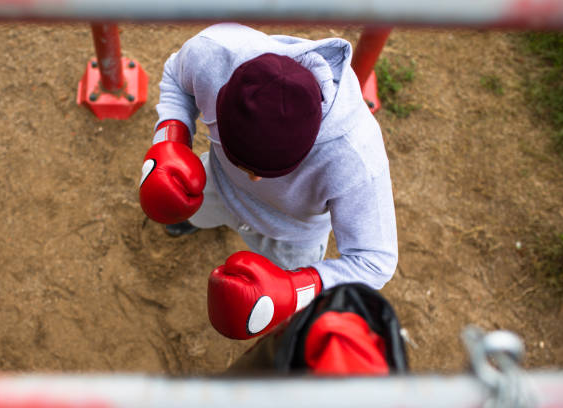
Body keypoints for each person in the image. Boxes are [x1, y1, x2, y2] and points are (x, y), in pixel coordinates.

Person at [139, 22, 398, 340]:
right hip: (215, 185)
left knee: (279, 318)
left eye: (269, 170)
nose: (253, 178)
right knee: (191, 207)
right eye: (242, 160)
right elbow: (176, 76)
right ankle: (193, 219)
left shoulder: (354, 156)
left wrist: (294, 288)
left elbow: (374, 260)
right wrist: (171, 142)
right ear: (223, 98)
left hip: (289, 239)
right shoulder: (215, 53)